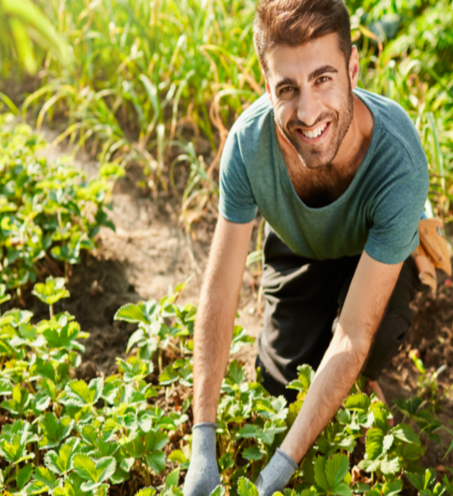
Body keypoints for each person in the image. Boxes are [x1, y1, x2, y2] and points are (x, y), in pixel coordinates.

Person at [183, 0, 430, 494]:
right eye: (288, 89)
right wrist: (203, 439)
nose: (308, 111)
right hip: (298, 248)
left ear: (353, 68)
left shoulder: (398, 161)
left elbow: (354, 334)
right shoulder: (249, 145)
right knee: (278, 388)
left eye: (323, 79)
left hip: (372, 253)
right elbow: (220, 291)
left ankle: (366, 381)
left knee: (372, 339)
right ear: (266, 84)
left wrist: (281, 467)